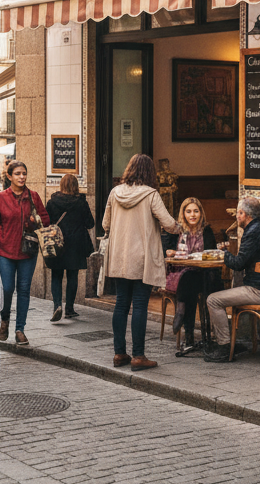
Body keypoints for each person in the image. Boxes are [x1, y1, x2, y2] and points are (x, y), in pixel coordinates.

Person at [102, 153, 182, 370]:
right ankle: (138, 356)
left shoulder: (114, 192)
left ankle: (119, 354)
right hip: (142, 258)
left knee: (120, 304)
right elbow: (167, 223)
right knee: (139, 305)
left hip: (119, 257)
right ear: (149, 173)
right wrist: (179, 227)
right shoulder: (151, 194)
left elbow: (105, 224)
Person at [203, 197, 260, 363]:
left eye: (239, 213)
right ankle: (231, 343)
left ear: (246, 215)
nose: (237, 217)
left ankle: (224, 346)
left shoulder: (252, 232)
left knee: (213, 300)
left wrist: (223, 254)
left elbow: (238, 264)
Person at [0, 159, 49, 346]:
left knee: (24, 291)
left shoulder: (33, 197)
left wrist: (34, 221)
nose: (22, 177)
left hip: (27, 252)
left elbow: (45, 220)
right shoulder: (0, 198)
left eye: (24, 173)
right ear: (9, 176)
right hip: (5, 252)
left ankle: (20, 330)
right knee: (7, 289)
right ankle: (5, 318)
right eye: (17, 174)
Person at [163, 197, 219, 348]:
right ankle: (189, 334)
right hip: (179, 273)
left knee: (190, 280)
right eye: (188, 211)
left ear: (201, 213)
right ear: (183, 213)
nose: (192, 215)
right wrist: (169, 251)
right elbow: (165, 249)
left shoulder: (206, 231)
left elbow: (212, 253)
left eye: (195, 211)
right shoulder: (176, 231)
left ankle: (182, 317)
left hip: (204, 274)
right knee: (189, 284)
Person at [45, 173, 94, 321]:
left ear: (61, 185)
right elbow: (90, 223)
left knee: (56, 275)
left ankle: (57, 306)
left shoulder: (52, 202)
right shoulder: (81, 203)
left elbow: (47, 222)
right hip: (76, 244)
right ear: (75, 186)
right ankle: (70, 309)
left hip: (57, 243)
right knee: (72, 275)